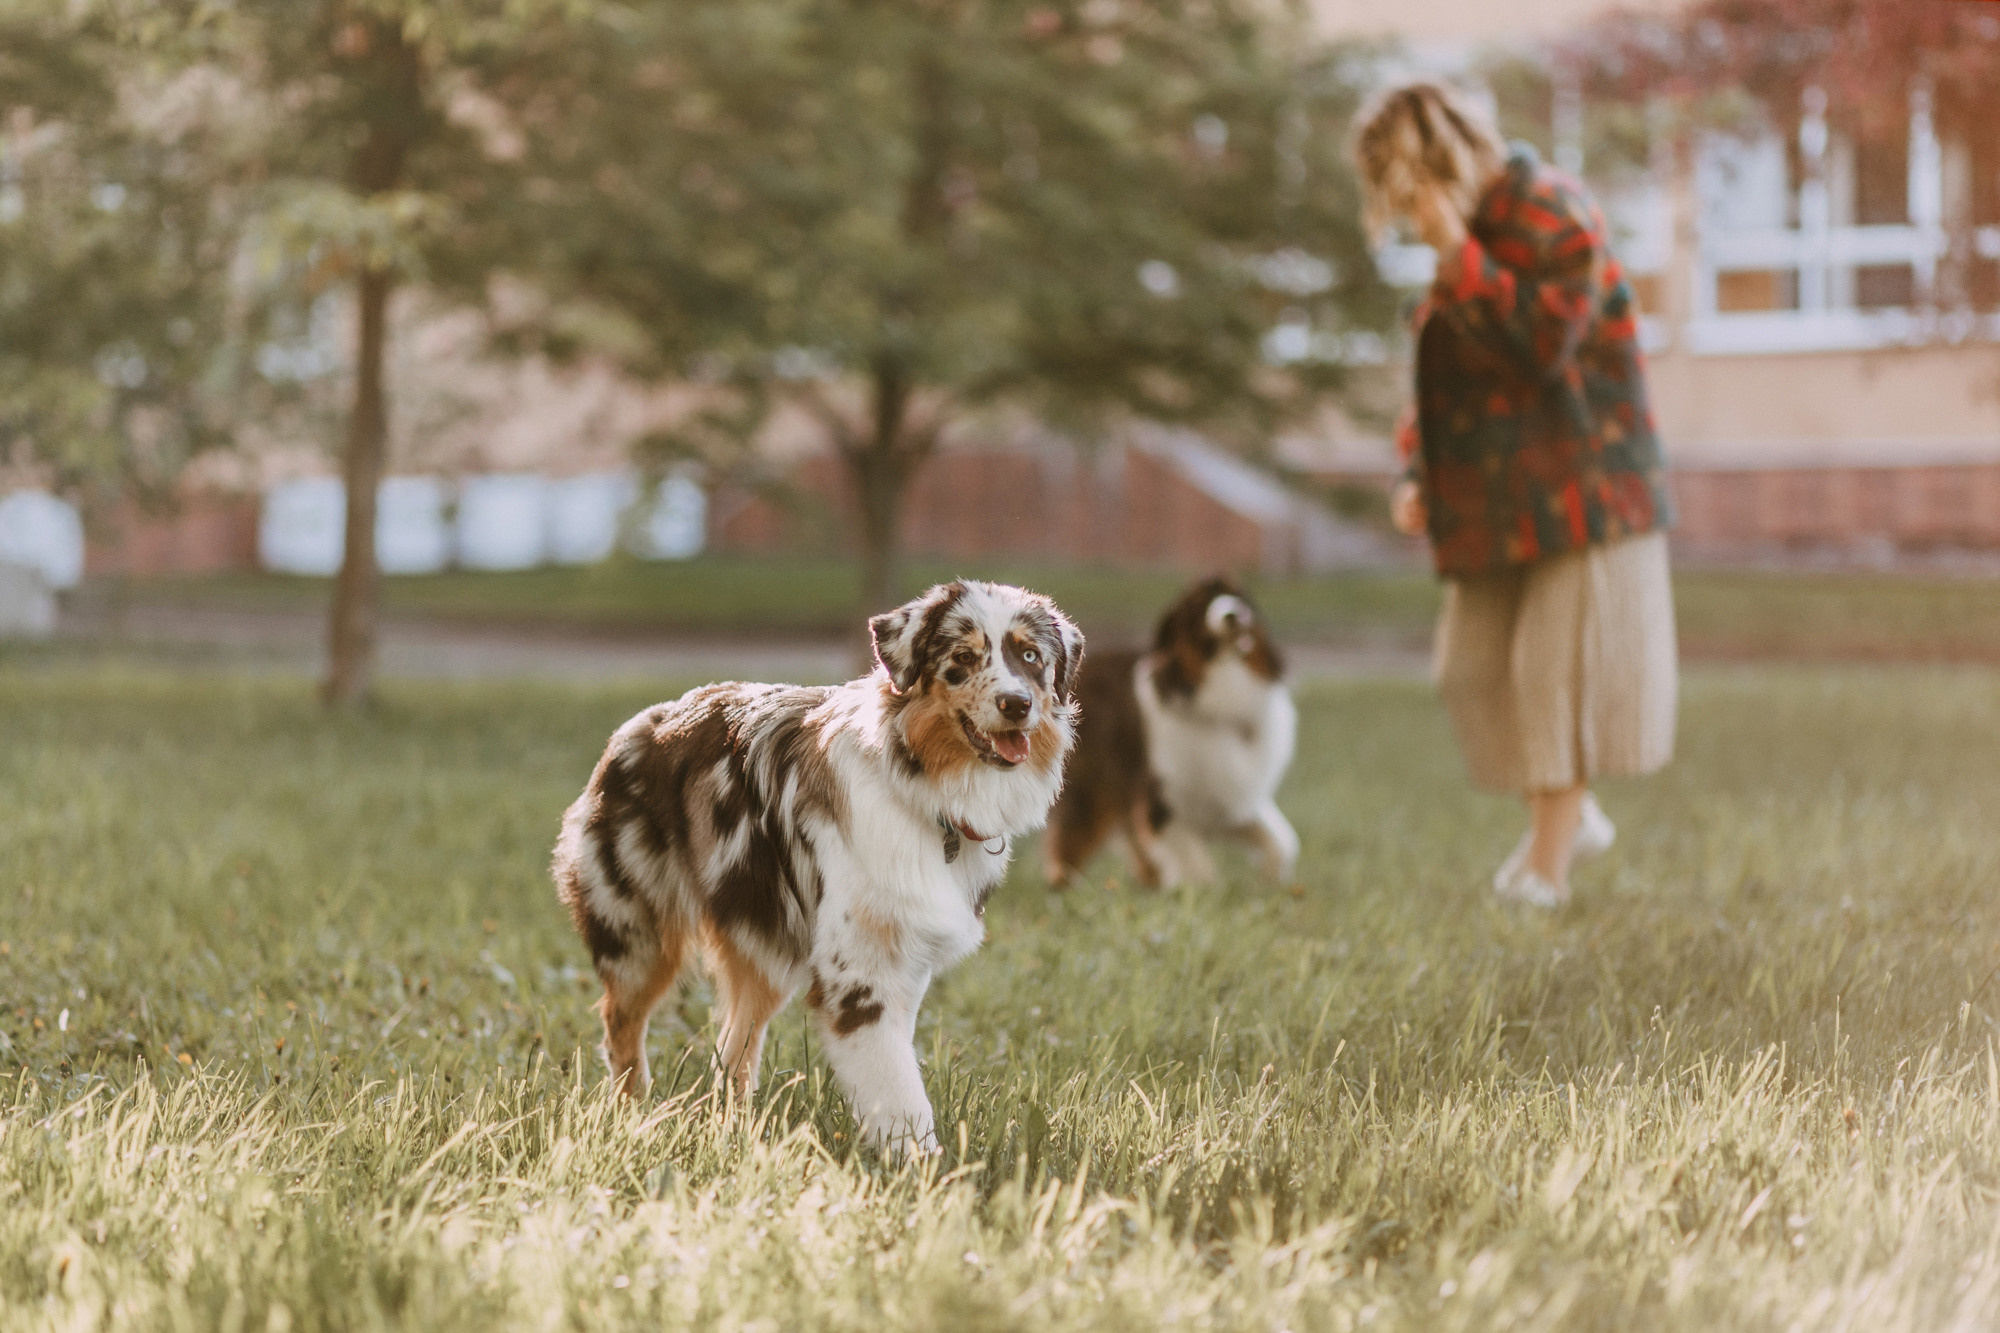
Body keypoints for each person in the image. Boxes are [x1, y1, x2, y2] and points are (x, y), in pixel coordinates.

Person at [1353, 81, 1678, 908]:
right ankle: (1577, 808)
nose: (1408, 211)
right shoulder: (1469, 242)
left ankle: (1546, 866)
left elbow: (1542, 343)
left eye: (1410, 187)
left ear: (1446, 157)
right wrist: (1416, 473)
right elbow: (1444, 374)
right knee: (1470, 670)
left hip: (1583, 485)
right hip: (1496, 497)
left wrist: (1459, 250)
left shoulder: (1552, 209)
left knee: (1550, 674)